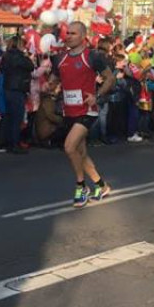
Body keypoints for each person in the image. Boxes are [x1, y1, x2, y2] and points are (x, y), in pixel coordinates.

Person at [51, 21, 114, 207]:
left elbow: (110, 78)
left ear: (83, 36)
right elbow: (54, 79)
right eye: (67, 33)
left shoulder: (92, 56)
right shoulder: (60, 58)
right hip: (69, 110)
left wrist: (97, 96)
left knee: (69, 147)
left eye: (73, 33)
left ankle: (81, 187)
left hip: (87, 110)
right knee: (81, 154)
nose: (68, 36)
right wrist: (50, 85)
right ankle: (102, 186)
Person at [0, 36, 34, 153]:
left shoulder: (6, 56)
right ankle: (14, 143)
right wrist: (26, 56)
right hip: (18, 88)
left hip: (8, 87)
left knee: (9, 117)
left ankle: (8, 142)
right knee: (17, 117)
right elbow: (30, 66)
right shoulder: (20, 57)